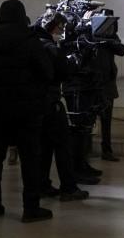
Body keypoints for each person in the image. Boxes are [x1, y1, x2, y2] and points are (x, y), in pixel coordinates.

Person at [0, 0, 54, 223]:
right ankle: (31, 208)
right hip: (26, 108)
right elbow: (46, 71)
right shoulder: (29, 39)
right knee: (30, 158)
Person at [35, 11, 90, 200]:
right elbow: (63, 72)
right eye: (60, 27)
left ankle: (42, 185)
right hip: (50, 102)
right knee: (62, 146)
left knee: (44, 147)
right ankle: (69, 187)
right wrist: (73, 61)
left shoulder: (33, 43)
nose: (62, 31)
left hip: (37, 103)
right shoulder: (49, 47)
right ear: (51, 26)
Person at [95, 9, 124, 162]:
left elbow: (122, 50)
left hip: (107, 82)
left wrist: (109, 39)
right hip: (93, 82)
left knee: (106, 120)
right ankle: (85, 150)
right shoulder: (90, 35)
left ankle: (106, 150)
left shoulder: (112, 36)